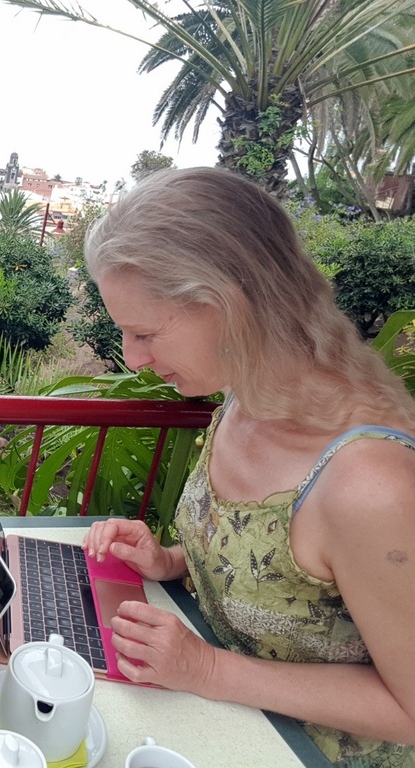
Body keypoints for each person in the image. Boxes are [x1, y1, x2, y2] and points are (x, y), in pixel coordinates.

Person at [80, 167, 415, 767]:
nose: (133, 359)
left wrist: (207, 668)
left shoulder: (370, 481)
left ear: (230, 306)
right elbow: (287, 584)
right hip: (222, 725)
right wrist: (170, 561)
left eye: (144, 332)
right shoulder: (244, 395)